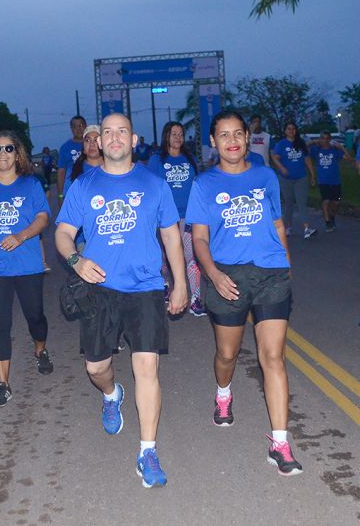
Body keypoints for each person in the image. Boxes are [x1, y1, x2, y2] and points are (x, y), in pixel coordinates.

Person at [55, 113, 187, 488]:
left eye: (121, 132)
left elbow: (173, 237)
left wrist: (179, 283)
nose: (113, 138)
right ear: (97, 141)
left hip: (144, 286)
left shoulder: (154, 183)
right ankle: (112, 394)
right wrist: (76, 260)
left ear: (134, 140)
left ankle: (148, 451)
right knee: (96, 369)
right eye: (106, 132)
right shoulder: (84, 185)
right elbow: (64, 234)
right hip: (99, 288)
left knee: (148, 367)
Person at [185, 110, 303, 476]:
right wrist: (214, 275)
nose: (233, 140)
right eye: (224, 135)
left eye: (238, 133)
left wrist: (286, 264)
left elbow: (278, 223)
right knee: (227, 353)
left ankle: (280, 443)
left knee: (273, 357)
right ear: (214, 142)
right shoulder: (204, 184)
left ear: (247, 139)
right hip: (227, 276)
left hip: (270, 274)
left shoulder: (266, 175)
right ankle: (223, 393)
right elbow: (199, 237)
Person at [0, 130, 53, 407]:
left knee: (35, 316)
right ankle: (3, 384)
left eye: (8, 149)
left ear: (18, 153)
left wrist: (21, 236)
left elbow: (42, 218)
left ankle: (41, 349)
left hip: (28, 265)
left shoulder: (30, 185)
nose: (3, 154)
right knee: (0, 325)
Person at [147, 121, 204, 316]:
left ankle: (195, 298)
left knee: (191, 257)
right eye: (174, 134)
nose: (178, 137)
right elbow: (150, 187)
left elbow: (197, 186)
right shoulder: (157, 160)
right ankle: (165, 284)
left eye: (180, 134)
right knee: (163, 257)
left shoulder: (190, 159)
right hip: (164, 217)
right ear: (166, 136)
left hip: (187, 215)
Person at [271, 121, 317, 239]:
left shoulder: (301, 144)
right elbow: (275, 158)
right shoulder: (281, 144)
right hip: (285, 178)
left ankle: (306, 228)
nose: (291, 131)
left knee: (302, 203)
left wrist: (312, 175)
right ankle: (288, 227)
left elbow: (307, 160)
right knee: (289, 203)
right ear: (285, 131)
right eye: (289, 129)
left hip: (301, 177)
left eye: (293, 129)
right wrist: (282, 168)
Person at [309, 131, 352, 231]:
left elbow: (349, 158)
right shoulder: (316, 150)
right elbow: (305, 147)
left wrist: (341, 147)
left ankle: (332, 216)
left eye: (326, 138)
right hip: (323, 180)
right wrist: (315, 141)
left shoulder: (334, 150)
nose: (324, 140)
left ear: (330, 139)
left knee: (336, 202)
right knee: (326, 200)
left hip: (335, 180)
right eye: (322, 138)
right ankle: (328, 222)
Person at [56, 115, 86, 209]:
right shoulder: (65, 147)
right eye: (74, 126)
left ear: (85, 126)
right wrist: (61, 195)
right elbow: (61, 172)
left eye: (80, 125)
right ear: (71, 129)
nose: (78, 129)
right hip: (72, 191)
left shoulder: (94, 144)